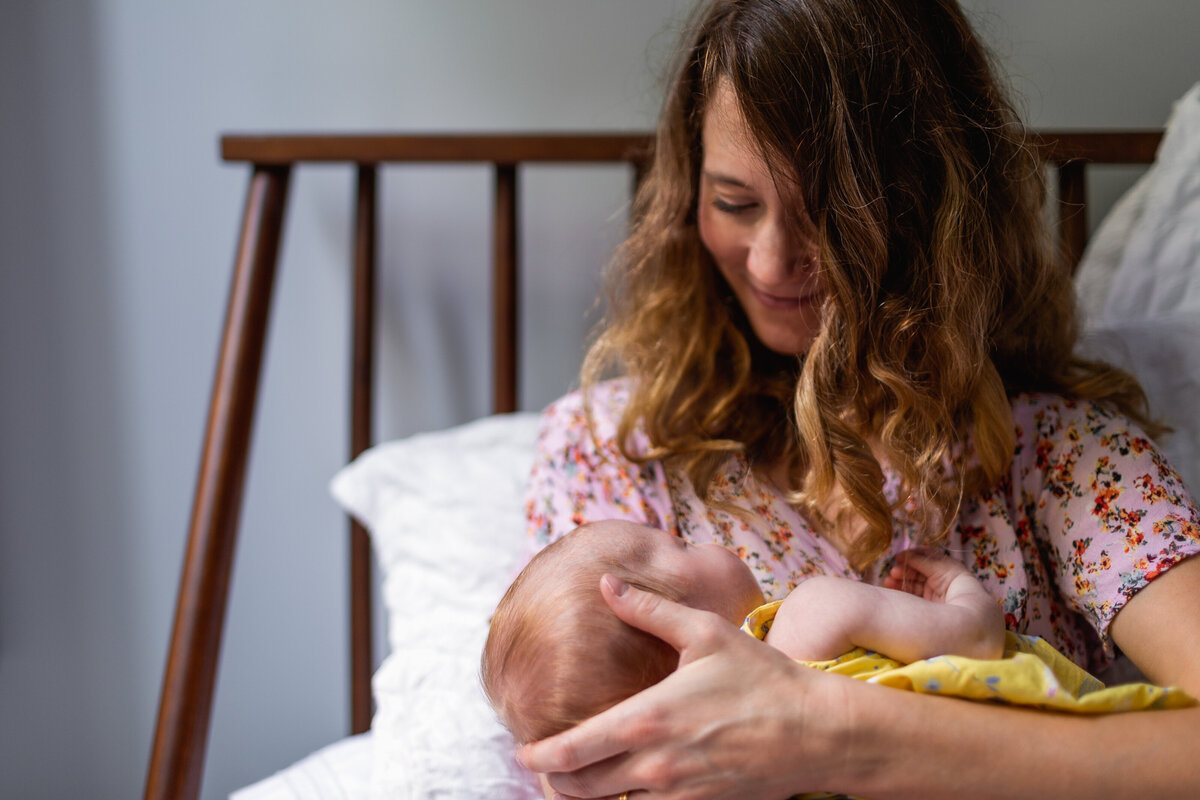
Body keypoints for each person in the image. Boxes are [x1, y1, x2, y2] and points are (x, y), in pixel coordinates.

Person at [517, 0, 1200, 797]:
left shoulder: (1060, 458)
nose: (771, 264)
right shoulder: (613, 453)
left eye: (830, 217)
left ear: (932, 209)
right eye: (735, 203)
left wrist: (831, 734)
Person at [483, 521, 1189, 752]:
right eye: (679, 540)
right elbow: (974, 641)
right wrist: (963, 592)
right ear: (680, 624)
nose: (703, 533)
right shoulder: (810, 615)